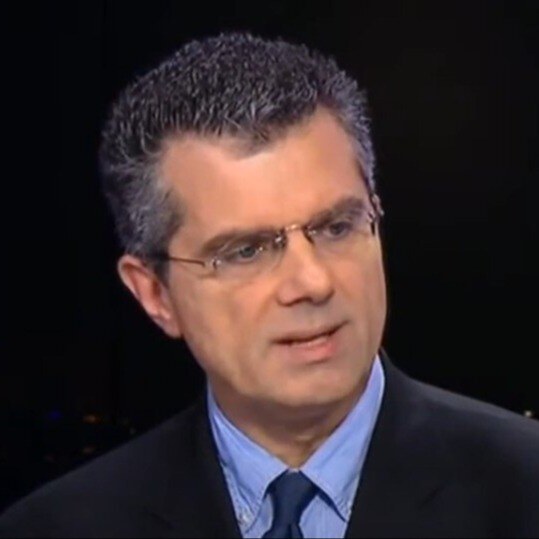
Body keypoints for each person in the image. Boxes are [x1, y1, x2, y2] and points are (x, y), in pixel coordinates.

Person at [1, 32, 538, 539]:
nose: (313, 282)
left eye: (337, 227)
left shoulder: (523, 490)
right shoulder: (58, 527)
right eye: (246, 251)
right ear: (155, 295)